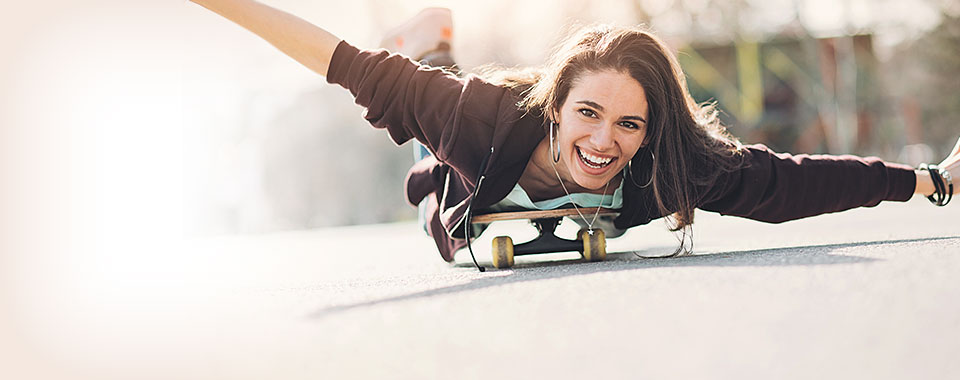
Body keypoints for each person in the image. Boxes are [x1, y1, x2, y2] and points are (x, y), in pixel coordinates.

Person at [189, 1, 958, 271]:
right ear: (556, 106)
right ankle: (431, 39)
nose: (604, 143)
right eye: (588, 115)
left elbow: (793, 183)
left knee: (443, 97)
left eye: (629, 124)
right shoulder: (479, 118)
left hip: (488, 131)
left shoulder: (672, 166)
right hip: (464, 162)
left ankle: (435, 42)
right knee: (429, 102)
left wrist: (932, 182)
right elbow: (336, 60)